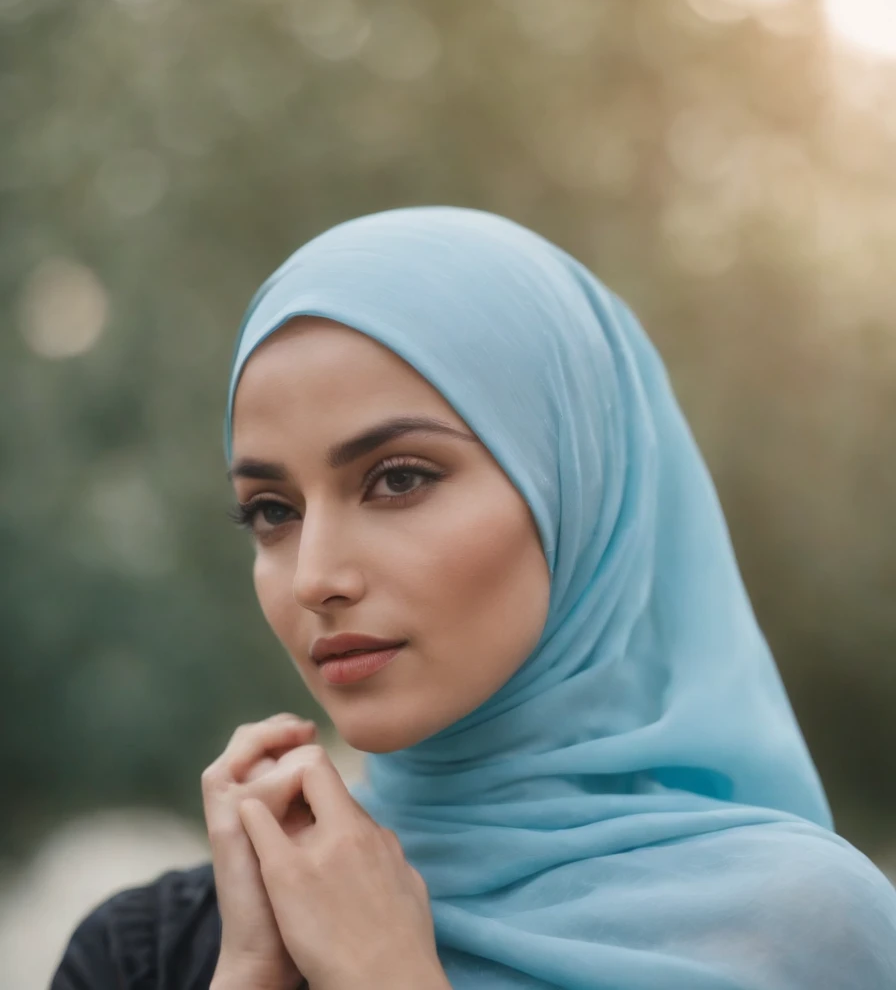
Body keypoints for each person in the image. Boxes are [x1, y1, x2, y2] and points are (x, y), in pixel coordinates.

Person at [52, 206, 896, 990]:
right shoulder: (151, 954)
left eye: (399, 479)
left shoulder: (804, 938)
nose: (315, 577)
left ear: (575, 487)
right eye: (272, 512)